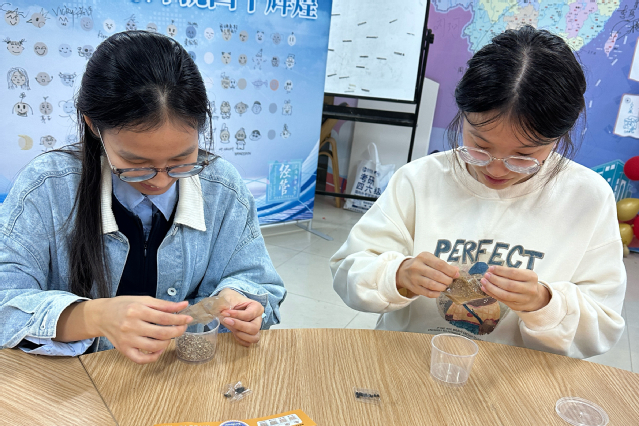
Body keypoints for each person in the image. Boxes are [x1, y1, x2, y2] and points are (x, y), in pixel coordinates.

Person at [330, 26, 626, 358]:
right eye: (479, 146)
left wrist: (545, 302)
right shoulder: (420, 179)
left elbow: (604, 324)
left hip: (513, 376)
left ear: (559, 137)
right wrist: (398, 275)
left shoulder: (587, 198)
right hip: (410, 360)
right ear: (463, 116)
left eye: (523, 156)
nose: (496, 169)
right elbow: (348, 269)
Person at [0, 31, 285, 364]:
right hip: (74, 384)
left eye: (182, 160)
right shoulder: (48, 187)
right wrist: (94, 316)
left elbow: (258, 281)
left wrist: (241, 301)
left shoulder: (221, 187)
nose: (161, 180)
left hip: (184, 377)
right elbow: (6, 301)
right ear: (93, 126)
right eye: (136, 165)